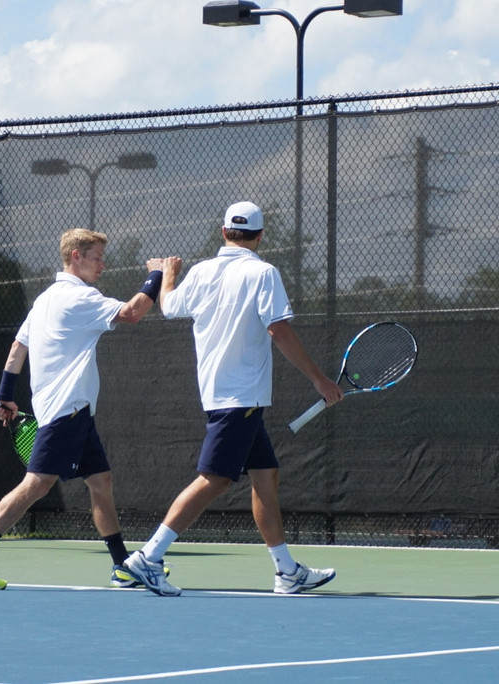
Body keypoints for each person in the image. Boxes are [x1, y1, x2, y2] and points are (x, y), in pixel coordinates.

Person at [122, 201, 344, 597]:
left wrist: (167, 274)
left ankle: (286, 571)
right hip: (239, 398)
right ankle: (148, 557)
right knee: (215, 479)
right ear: (260, 236)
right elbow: (279, 331)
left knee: (265, 474)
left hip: (232, 397)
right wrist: (320, 380)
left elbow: (169, 306)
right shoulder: (263, 273)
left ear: (224, 232)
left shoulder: (201, 272)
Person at [0, 228, 166, 590]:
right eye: (97, 257)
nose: (103, 264)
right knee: (37, 484)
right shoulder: (78, 298)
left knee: (101, 482)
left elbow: (18, 348)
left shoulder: (45, 300)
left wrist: (6, 396)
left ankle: (122, 566)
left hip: (77, 412)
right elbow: (132, 313)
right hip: (66, 411)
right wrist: (156, 274)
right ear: (75, 257)